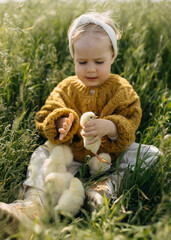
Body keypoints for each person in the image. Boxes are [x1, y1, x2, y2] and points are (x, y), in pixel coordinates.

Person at [0, 12, 160, 232]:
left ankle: (105, 188)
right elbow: (45, 113)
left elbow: (132, 118)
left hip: (112, 155)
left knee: (151, 154)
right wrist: (59, 123)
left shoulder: (121, 89)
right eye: (82, 62)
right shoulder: (66, 87)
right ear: (73, 57)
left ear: (112, 56)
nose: (91, 68)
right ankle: (32, 205)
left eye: (99, 61)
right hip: (71, 153)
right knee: (41, 153)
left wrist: (112, 127)